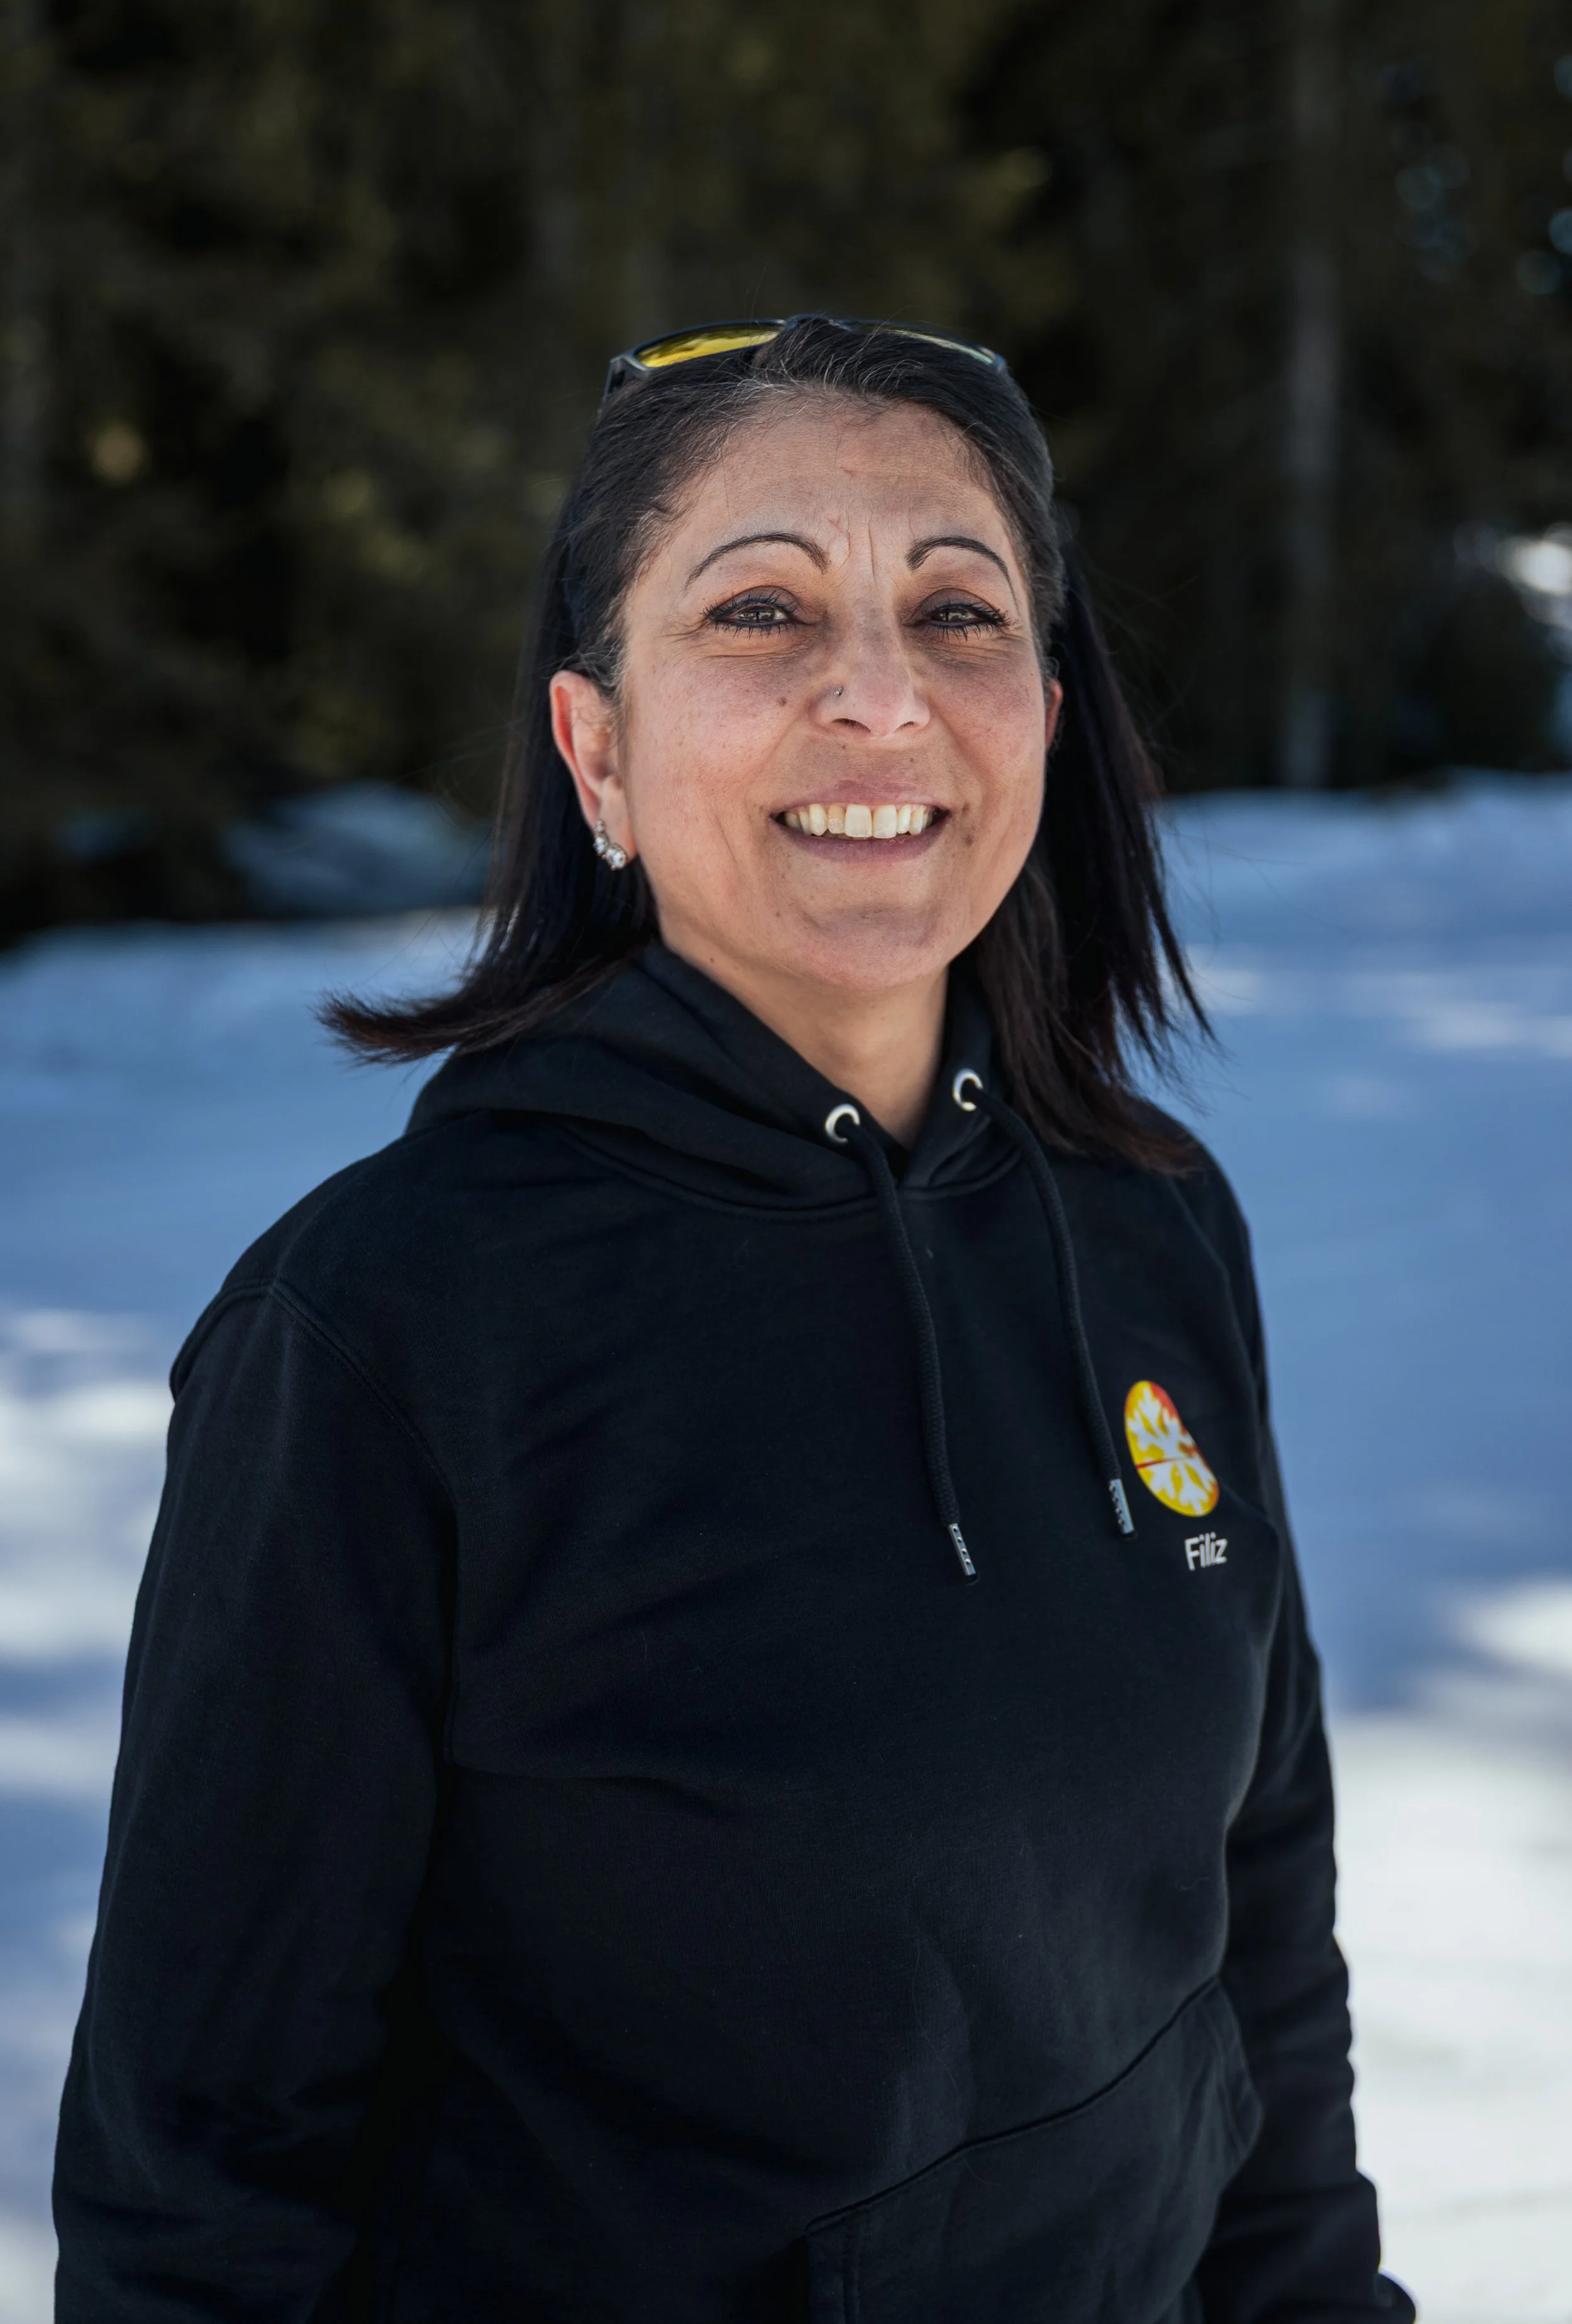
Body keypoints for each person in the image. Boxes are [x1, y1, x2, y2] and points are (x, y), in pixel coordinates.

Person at [54, 315, 1414, 2323]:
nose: (879, 695)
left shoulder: (1147, 1226)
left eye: (956, 612)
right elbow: (206, 2196)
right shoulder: (382, 1331)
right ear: (596, 749)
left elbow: (1257, 1954)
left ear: (1040, 711)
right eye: (762, 609)